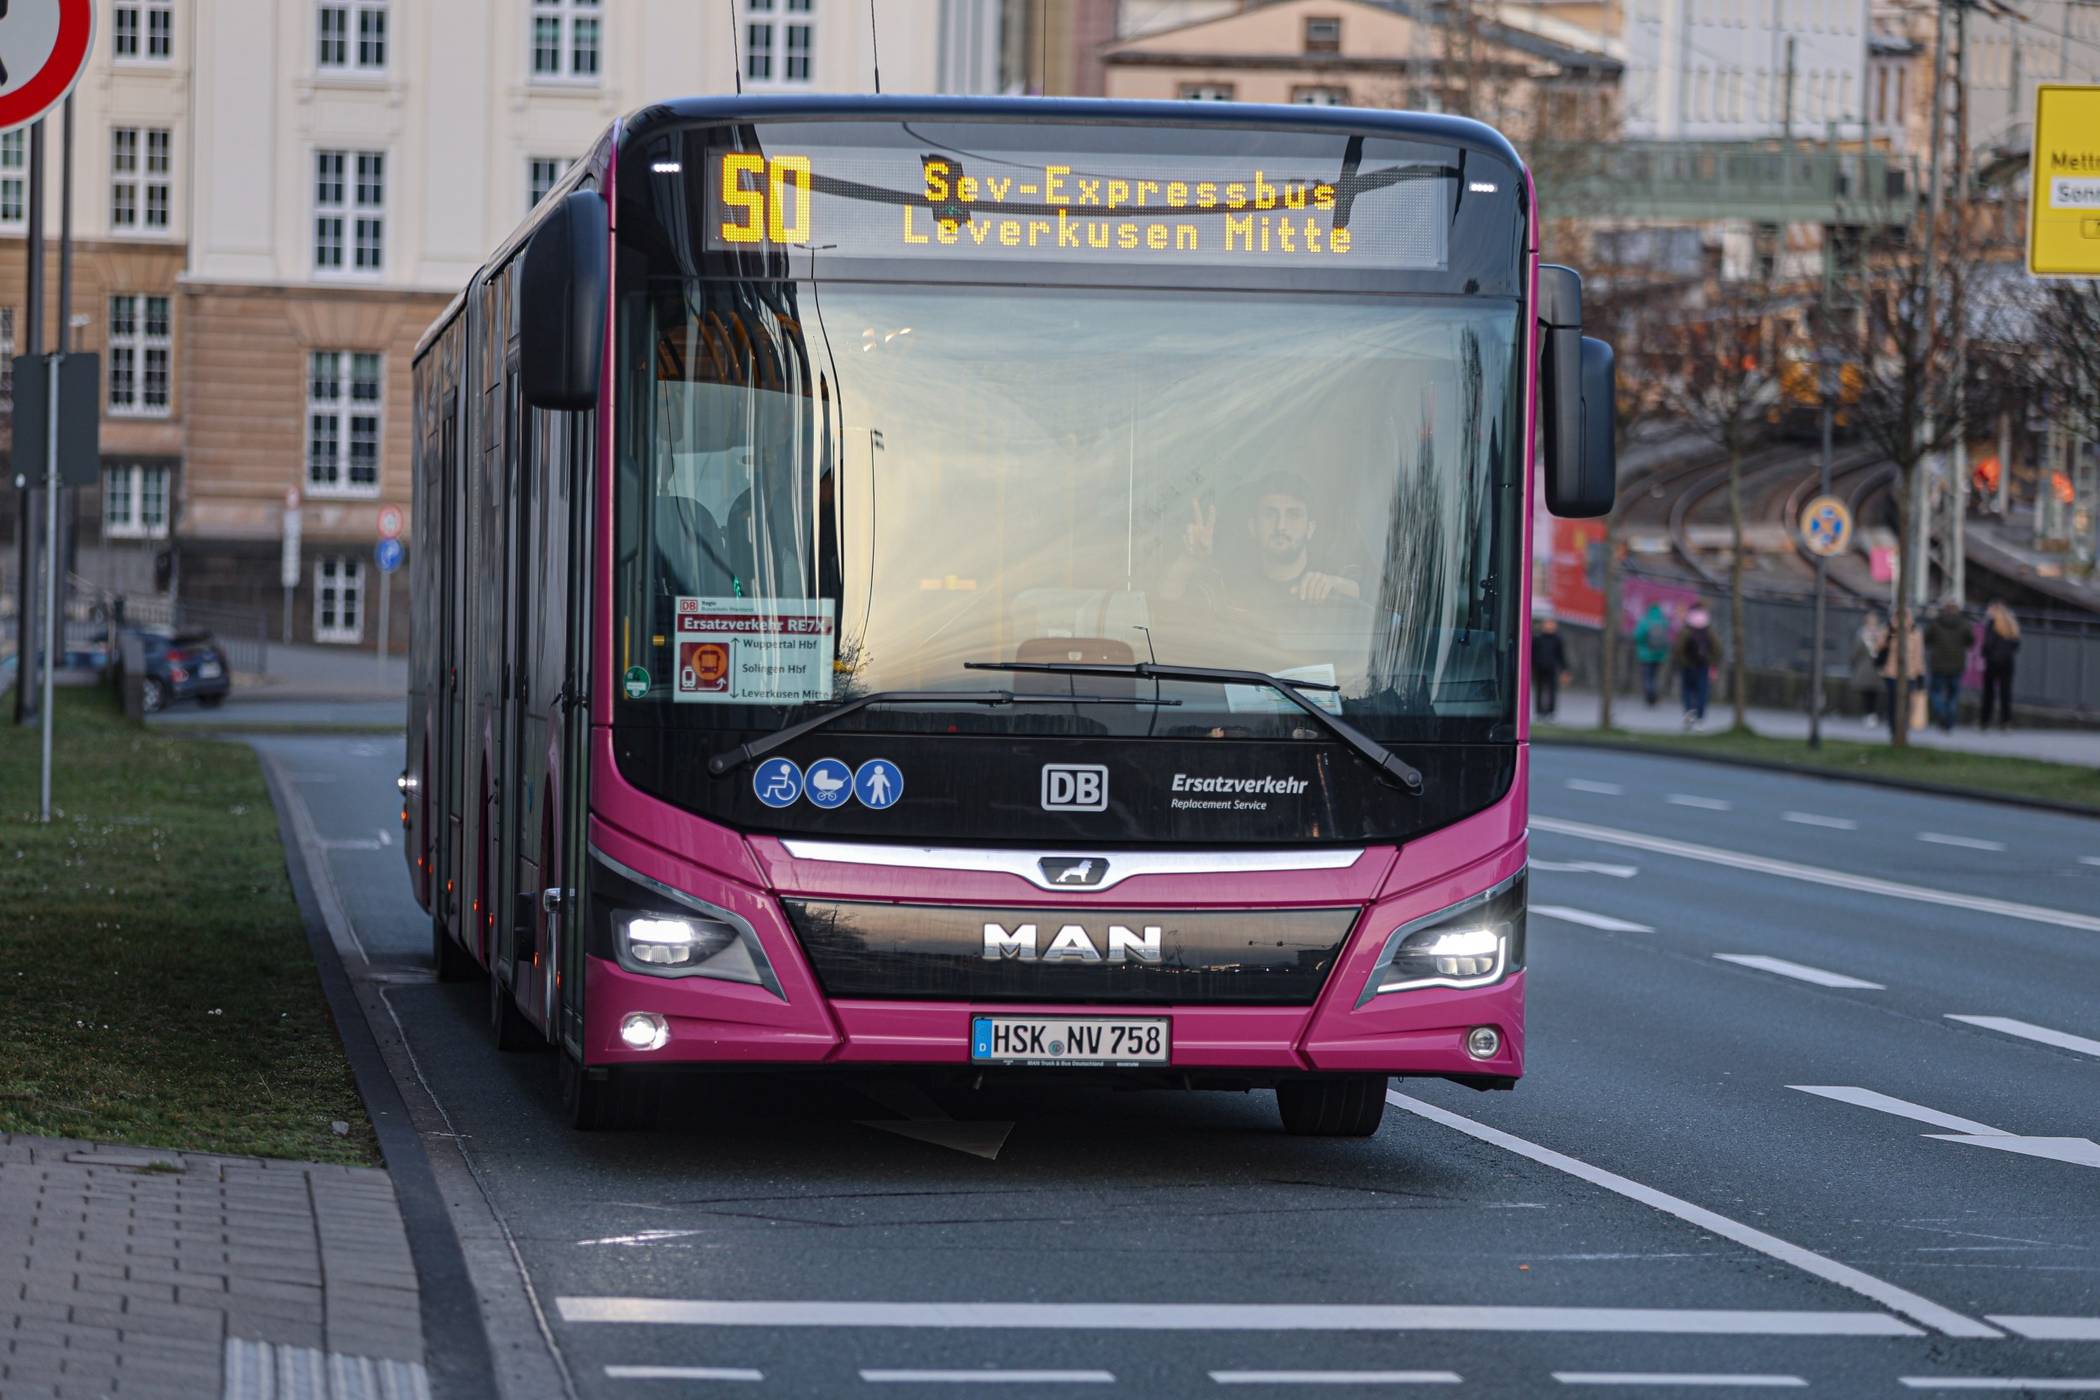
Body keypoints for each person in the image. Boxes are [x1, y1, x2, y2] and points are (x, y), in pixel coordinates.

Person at [1163, 474, 1360, 612]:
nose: (1281, 526)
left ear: (1310, 529)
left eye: (1293, 515)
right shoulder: (1229, 585)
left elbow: (1381, 606)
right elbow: (1165, 611)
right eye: (1270, 514)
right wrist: (1189, 559)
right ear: (1252, 527)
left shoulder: (1331, 585)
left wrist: (1336, 586)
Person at [1670, 605, 1721, 729]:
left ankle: (1689, 713)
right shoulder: (1708, 631)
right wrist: (1711, 661)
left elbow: (1678, 648)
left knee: (1687, 690)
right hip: (1702, 665)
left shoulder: (1686, 630)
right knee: (1702, 691)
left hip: (1687, 665)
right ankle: (1700, 716)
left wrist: (1681, 661)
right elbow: (1718, 648)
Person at [1924, 599, 1972, 733]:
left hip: (1938, 665)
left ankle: (1942, 714)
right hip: (1957, 665)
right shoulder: (1964, 623)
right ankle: (1948, 722)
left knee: (1935, 693)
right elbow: (1970, 641)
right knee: (1953, 695)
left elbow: (1926, 640)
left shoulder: (1936, 623)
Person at [1979, 600, 2020, 730]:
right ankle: (2005, 721)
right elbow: (2016, 644)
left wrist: (1985, 654)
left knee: (1989, 693)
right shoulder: (2011, 625)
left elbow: (1988, 644)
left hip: (1993, 662)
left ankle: (1985, 721)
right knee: (2005, 693)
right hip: (2008, 662)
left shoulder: (1992, 624)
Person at [1881, 611, 1925, 729]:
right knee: (1892, 702)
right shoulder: (1890, 631)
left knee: (1905, 703)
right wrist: (1888, 634)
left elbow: (1918, 655)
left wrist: (1920, 673)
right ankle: (1894, 727)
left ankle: (1901, 727)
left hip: (1909, 674)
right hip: (1891, 673)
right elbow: (1879, 647)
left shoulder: (1915, 633)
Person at [1851, 611, 1888, 726]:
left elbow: (1856, 651)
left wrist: (1853, 661)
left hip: (1865, 666)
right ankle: (1873, 715)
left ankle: (1869, 714)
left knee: (1867, 693)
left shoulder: (1861, 633)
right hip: (1876, 667)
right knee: (1874, 692)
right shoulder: (1881, 633)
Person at [1633, 603, 1672, 707]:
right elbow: (1667, 639)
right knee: (1654, 676)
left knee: (1647, 677)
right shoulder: (1664, 621)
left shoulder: (1645, 621)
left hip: (1645, 654)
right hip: (1659, 655)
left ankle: (1650, 696)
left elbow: (1637, 636)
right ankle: (1654, 695)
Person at [1531, 617, 1569, 718]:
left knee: (1552, 690)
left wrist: (1564, 669)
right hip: (1539, 667)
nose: (1550, 627)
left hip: (1552, 668)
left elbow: (1561, 655)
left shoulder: (1557, 639)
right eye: (1547, 624)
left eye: (1552, 624)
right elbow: (1533, 653)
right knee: (1539, 689)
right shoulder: (1537, 638)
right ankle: (1539, 711)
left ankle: (1551, 711)